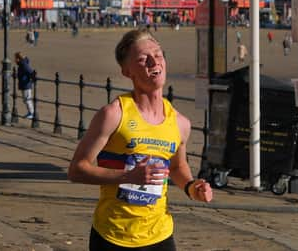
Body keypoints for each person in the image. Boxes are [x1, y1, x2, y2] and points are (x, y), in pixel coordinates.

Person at [68, 29, 212, 250]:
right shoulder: (114, 114)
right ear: (127, 71)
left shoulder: (180, 123)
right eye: (144, 59)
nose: (154, 61)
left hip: (160, 235)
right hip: (112, 236)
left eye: (159, 54)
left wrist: (193, 187)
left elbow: (176, 166)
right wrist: (129, 176)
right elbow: (77, 170)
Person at [15, 52, 35, 119]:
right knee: (25, 100)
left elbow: (31, 72)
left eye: (15, 58)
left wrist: (31, 80)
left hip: (26, 84)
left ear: (18, 58)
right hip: (24, 84)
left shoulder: (23, 64)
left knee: (27, 99)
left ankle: (32, 113)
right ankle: (30, 112)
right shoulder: (21, 64)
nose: (15, 60)